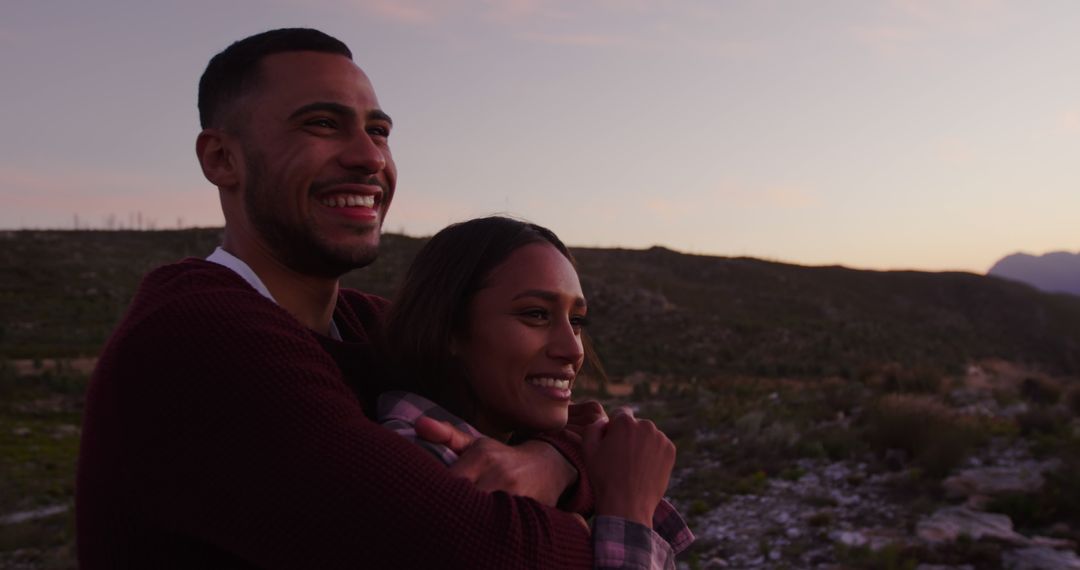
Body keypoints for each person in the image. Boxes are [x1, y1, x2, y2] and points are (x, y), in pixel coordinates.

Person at [76, 28, 677, 569]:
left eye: (379, 131)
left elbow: (569, 414)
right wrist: (617, 511)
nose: (369, 157)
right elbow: (477, 551)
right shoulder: (199, 340)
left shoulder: (363, 325)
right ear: (221, 159)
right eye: (320, 123)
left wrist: (549, 463)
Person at [378, 216, 692, 568]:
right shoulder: (418, 469)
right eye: (536, 314)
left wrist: (564, 462)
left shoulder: (520, 448)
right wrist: (628, 509)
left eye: (576, 321)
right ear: (449, 328)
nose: (573, 350)